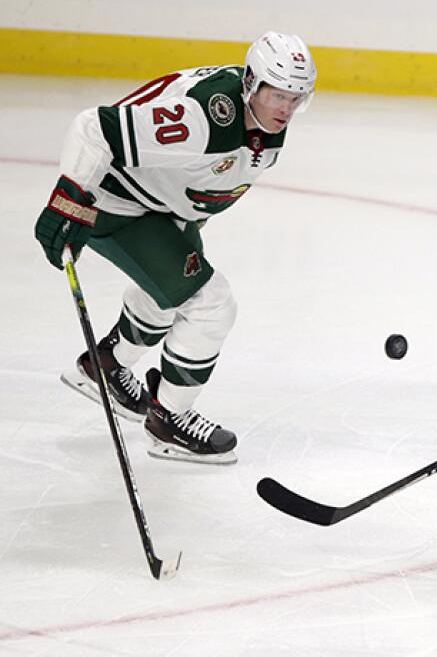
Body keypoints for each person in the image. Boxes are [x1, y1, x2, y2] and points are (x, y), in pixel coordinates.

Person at [34, 32, 317, 463]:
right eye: (278, 95)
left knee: (166, 293)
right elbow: (94, 128)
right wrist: (71, 199)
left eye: (296, 98)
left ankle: (105, 367)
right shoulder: (205, 119)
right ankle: (169, 420)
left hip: (160, 207)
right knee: (211, 304)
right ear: (250, 84)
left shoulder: (257, 119)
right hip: (120, 204)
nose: (287, 108)